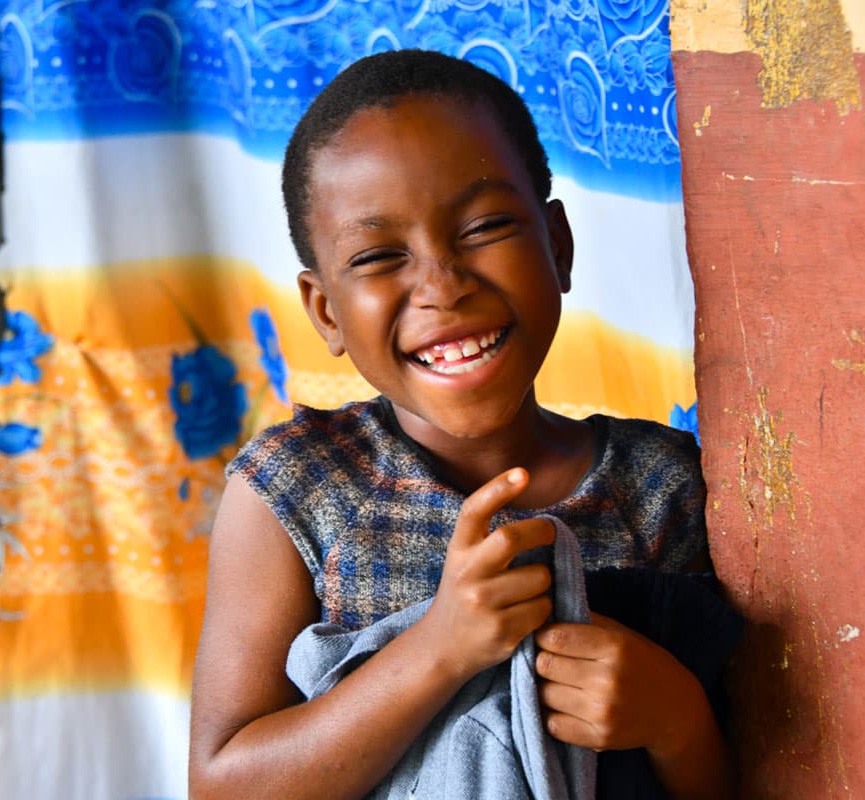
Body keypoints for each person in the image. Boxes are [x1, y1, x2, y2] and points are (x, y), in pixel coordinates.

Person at [188, 49, 734, 799]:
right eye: (379, 256)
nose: (442, 287)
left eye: (485, 227)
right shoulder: (295, 489)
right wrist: (440, 649)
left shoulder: (663, 488)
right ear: (326, 312)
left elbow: (753, 769)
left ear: (558, 246)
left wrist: (677, 720)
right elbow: (222, 785)